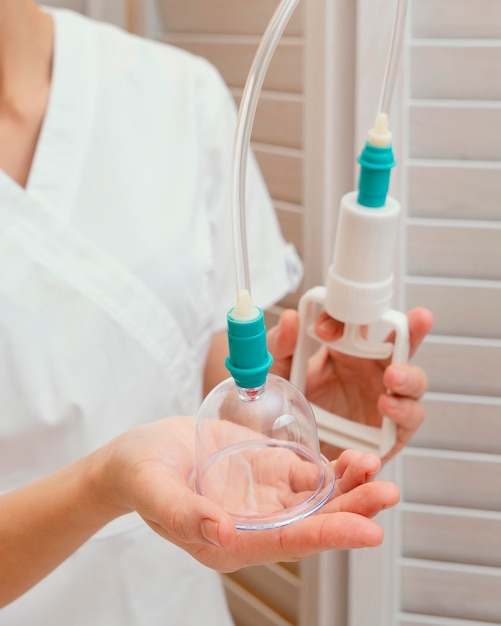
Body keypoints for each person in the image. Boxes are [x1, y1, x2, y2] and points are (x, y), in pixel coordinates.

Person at [0, 1, 433, 624]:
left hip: (173, 601)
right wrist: (104, 484)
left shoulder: (176, 93)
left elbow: (186, 361)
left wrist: (299, 421)